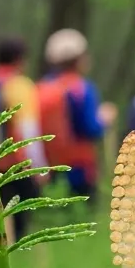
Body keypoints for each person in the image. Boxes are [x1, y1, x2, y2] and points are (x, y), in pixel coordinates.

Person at [0, 36, 48, 239]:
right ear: (19, 59)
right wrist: (39, 167)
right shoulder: (19, 84)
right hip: (14, 165)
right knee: (20, 226)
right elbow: (28, 128)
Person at [36, 29, 116, 200]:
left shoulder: (41, 87)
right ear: (79, 59)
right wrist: (105, 119)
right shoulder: (82, 88)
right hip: (80, 168)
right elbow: (91, 129)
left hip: (48, 167)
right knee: (82, 220)